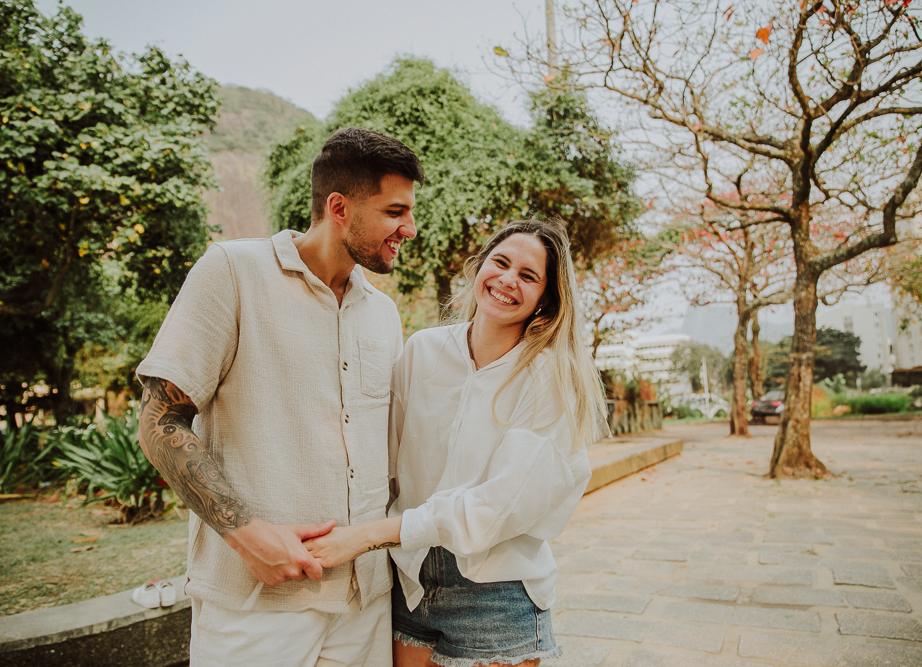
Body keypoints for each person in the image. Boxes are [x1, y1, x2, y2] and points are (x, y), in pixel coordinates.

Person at [135, 127, 424, 666]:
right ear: (339, 208)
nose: (409, 228)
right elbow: (159, 422)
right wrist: (247, 535)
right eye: (395, 212)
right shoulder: (232, 271)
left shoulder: (384, 314)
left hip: (365, 601)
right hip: (256, 607)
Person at [304, 219, 609, 667]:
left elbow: (498, 507)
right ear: (479, 266)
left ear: (546, 299)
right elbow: (386, 462)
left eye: (528, 276)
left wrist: (367, 536)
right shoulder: (422, 351)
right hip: (410, 580)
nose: (508, 279)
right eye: (500, 262)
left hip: (494, 591)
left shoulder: (550, 378)